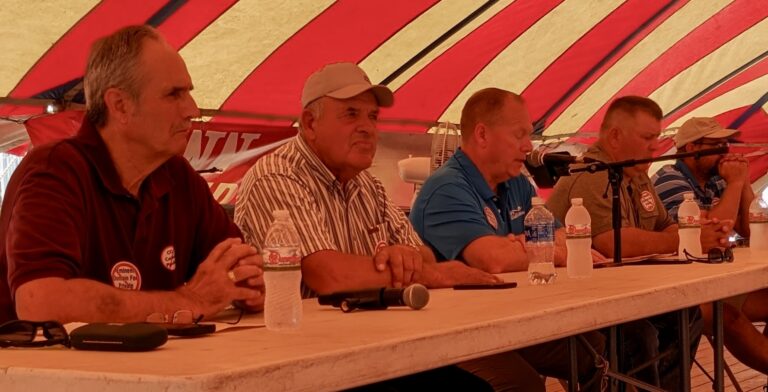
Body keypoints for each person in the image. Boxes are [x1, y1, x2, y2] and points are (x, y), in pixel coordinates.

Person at [235, 62, 498, 390]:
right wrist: (431, 274)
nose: (367, 128)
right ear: (310, 122)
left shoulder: (368, 186)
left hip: (371, 355)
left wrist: (410, 261)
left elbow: (424, 256)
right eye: (351, 114)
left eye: (372, 117)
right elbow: (328, 275)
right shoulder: (276, 177)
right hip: (300, 368)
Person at [0, 25, 264, 324]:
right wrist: (188, 300)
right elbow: (40, 303)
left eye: (188, 93)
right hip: (39, 369)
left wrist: (246, 282)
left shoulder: (178, 177)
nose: (192, 110)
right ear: (120, 105)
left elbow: (238, 269)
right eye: (173, 94)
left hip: (158, 368)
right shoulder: (55, 170)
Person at [408, 88, 605, 391]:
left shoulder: (516, 184)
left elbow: (563, 235)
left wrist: (530, 248)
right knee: (522, 385)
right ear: (482, 134)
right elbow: (494, 260)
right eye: (519, 134)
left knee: (604, 347)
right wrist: (554, 253)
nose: (528, 146)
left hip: (514, 321)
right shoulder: (446, 188)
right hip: (457, 333)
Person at [546, 96, 732, 390]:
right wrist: (687, 238)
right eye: (647, 137)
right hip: (578, 302)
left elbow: (665, 225)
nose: (654, 147)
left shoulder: (637, 175)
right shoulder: (593, 174)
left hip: (625, 293)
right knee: (637, 333)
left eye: (656, 138)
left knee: (687, 312)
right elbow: (612, 243)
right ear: (615, 136)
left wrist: (695, 231)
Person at [652, 116, 768, 374]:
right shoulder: (669, 179)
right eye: (718, 146)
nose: (725, 153)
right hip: (681, 289)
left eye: (727, 144)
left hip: (716, 282)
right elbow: (712, 234)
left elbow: (751, 230)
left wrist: (744, 182)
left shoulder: (715, 182)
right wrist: (736, 183)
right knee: (729, 318)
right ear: (692, 148)